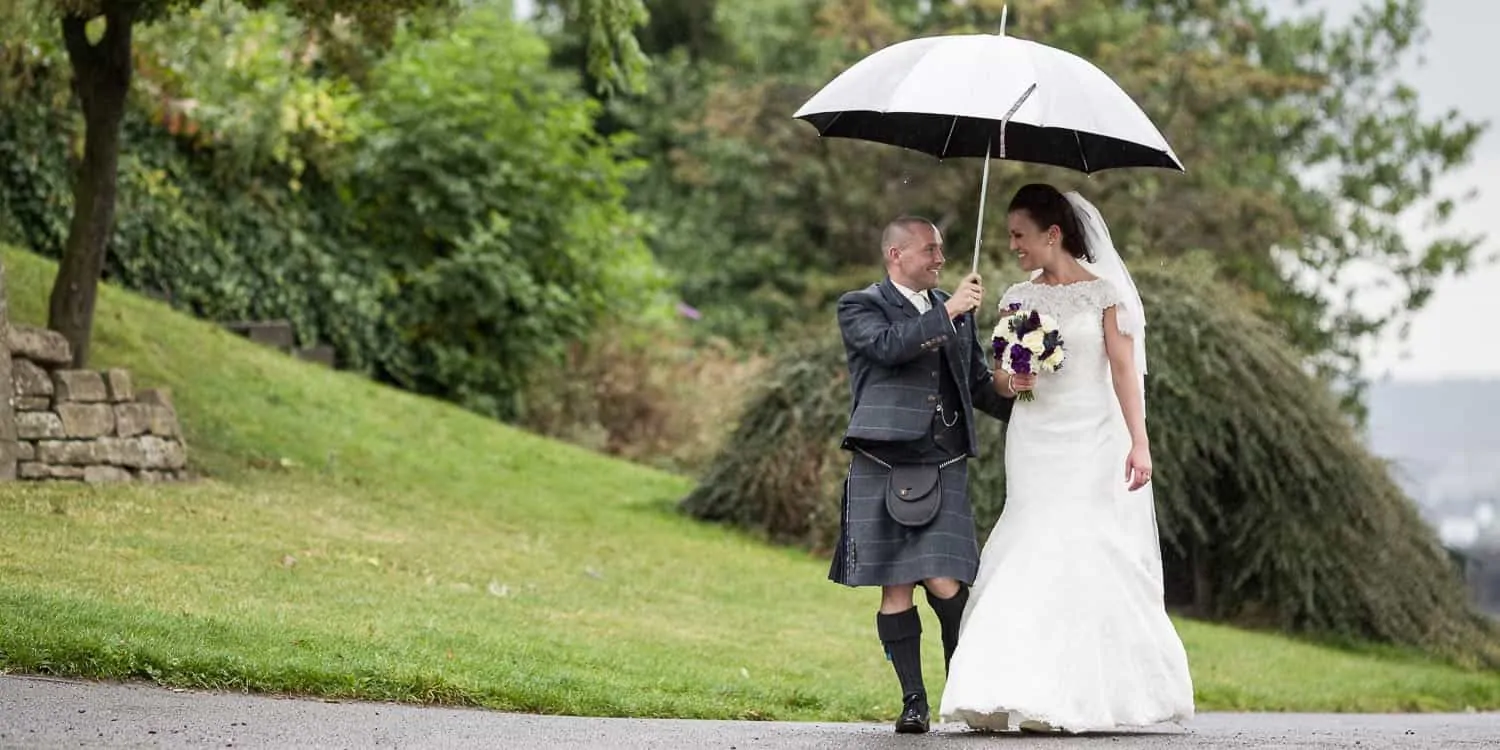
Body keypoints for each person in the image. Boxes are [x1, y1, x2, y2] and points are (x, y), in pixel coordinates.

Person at [938, 184, 1195, 733]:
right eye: (1010, 236)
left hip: (1092, 439)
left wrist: (1139, 442)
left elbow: (1125, 373)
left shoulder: (1105, 295)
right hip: (1035, 439)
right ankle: (1008, 688)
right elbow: (1003, 383)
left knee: (1080, 545)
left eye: (1020, 236)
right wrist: (1016, 378)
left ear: (1052, 234)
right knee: (1029, 540)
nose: (1013, 246)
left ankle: (1081, 695)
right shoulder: (1015, 297)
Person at [830, 215, 1027, 734]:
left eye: (942, 249)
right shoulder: (860, 305)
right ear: (896, 255)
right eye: (930, 250)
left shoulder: (951, 311)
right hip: (884, 460)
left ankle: (964, 684)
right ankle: (913, 701)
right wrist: (953, 311)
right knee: (895, 587)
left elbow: (977, 386)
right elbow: (890, 347)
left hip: (942, 462)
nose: (940, 259)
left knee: (944, 581)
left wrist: (1020, 392)